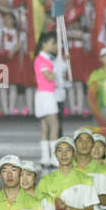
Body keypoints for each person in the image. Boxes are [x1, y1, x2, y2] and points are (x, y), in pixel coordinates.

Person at [34, 31, 61, 166]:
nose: (54, 46)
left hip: (43, 94)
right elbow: (49, 77)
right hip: (46, 95)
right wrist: (57, 64)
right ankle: (54, 158)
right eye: (52, 43)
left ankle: (45, 158)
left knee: (45, 127)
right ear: (44, 44)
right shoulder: (42, 59)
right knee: (54, 125)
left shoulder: (45, 59)